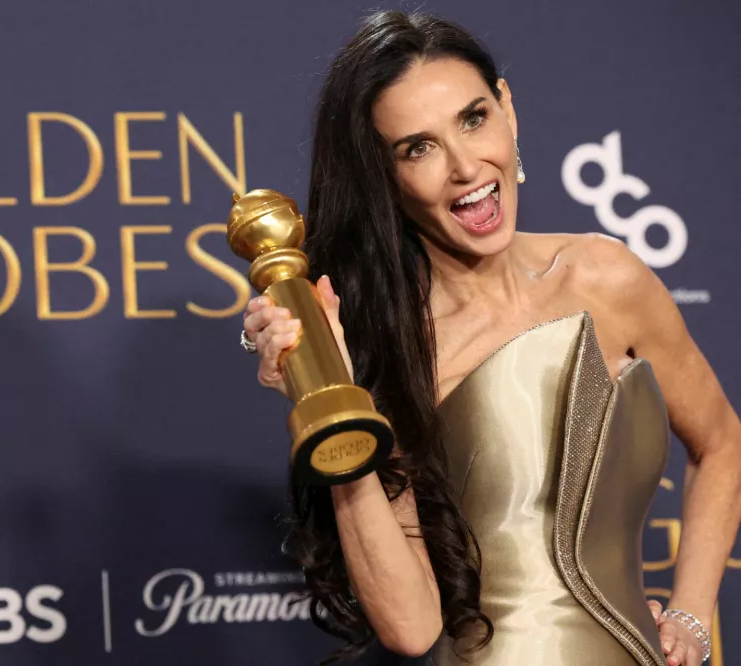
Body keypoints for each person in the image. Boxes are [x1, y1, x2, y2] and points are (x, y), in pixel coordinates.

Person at [239, 11, 741, 666]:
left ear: (506, 108)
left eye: (473, 119)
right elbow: (412, 626)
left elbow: (722, 441)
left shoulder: (607, 276)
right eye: (417, 148)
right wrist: (327, 397)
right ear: (384, 176)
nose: (464, 166)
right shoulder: (394, 349)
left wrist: (692, 615)